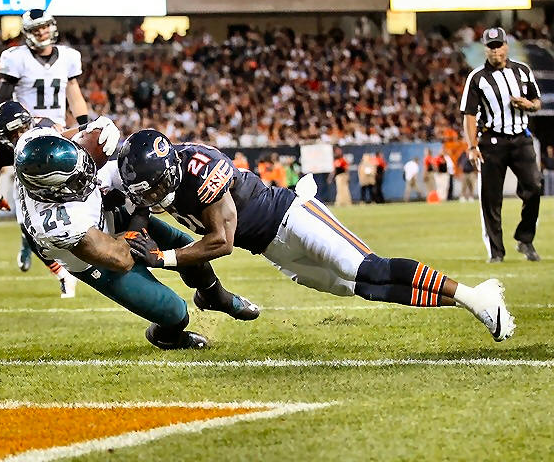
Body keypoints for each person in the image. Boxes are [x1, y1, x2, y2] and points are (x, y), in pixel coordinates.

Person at [116, 129, 515, 343]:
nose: (154, 195)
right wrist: (135, 230)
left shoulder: (201, 166)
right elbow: (137, 206)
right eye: (147, 190)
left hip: (293, 216)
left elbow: (222, 240)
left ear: (172, 167)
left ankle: (475, 296)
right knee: (365, 288)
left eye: (158, 186)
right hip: (274, 250)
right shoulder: (149, 177)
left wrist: (163, 258)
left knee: (367, 268)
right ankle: (472, 301)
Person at [14, 129, 258, 350]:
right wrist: (141, 207)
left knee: (188, 251)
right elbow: (121, 259)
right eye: (77, 180)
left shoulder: (33, 145)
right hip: (98, 259)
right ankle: (167, 337)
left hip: (110, 217)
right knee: (174, 312)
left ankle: (215, 296)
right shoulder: (58, 225)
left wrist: (92, 129)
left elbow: (71, 134)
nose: (87, 177)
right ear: (53, 192)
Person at [0, 9, 90, 275]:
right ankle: (28, 236)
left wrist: (84, 125)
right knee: (30, 192)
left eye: (45, 26)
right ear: (28, 33)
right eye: (36, 29)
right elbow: (3, 102)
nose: (42, 32)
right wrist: (31, 123)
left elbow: (73, 92)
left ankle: (70, 234)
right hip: (27, 133)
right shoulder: (16, 58)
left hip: (58, 132)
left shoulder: (68, 57)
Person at [0, 101, 83, 297]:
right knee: (31, 230)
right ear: (2, 136)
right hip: (25, 180)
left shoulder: (46, 127)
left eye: (23, 128)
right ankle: (63, 275)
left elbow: (70, 145)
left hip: (53, 174)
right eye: (14, 133)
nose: (21, 135)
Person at [460, 27, 542, 262]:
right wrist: (472, 146)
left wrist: (528, 105)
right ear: (485, 49)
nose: (496, 50)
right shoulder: (477, 77)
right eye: (491, 46)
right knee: (491, 199)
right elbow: (469, 115)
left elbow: (537, 101)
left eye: (499, 45)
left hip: (521, 139)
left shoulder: (523, 71)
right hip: (491, 142)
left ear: (506, 46)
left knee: (534, 187)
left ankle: (525, 239)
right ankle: (496, 252)